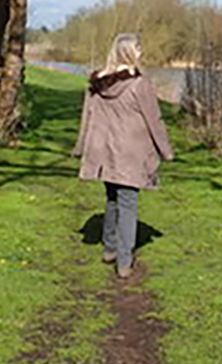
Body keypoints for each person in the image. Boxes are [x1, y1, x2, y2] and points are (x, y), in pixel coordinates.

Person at [73, 33, 174, 278]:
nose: (141, 52)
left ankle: (109, 248)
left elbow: (87, 117)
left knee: (112, 199)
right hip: (131, 154)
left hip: (105, 153)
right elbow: (154, 120)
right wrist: (166, 151)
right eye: (138, 48)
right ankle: (124, 261)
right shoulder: (140, 85)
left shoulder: (98, 83)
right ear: (129, 52)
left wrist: (82, 147)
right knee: (128, 203)